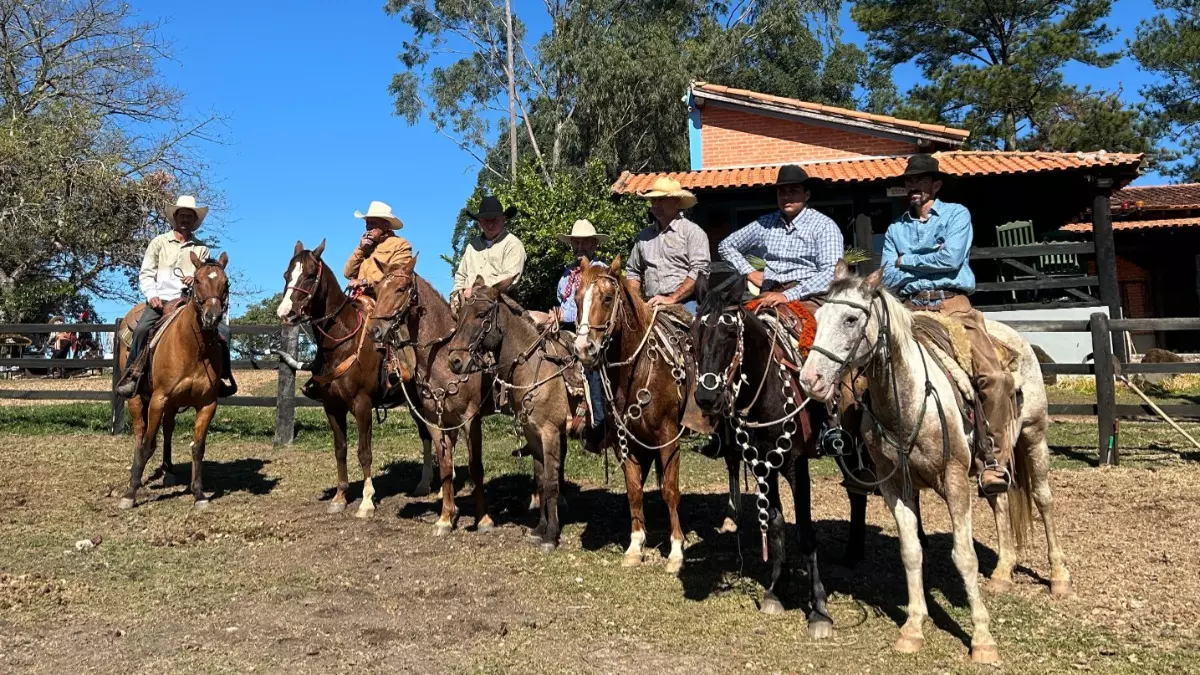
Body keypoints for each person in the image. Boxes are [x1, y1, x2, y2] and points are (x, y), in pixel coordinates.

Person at [880, 154, 1014, 495]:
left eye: (920, 181)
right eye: (909, 181)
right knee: (873, 375)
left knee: (993, 376)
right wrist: (925, 261)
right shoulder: (896, 228)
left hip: (953, 305)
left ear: (935, 185)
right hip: (910, 309)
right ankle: (877, 458)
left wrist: (907, 259)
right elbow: (889, 277)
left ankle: (994, 460)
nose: (913, 187)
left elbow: (952, 259)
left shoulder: (956, 214)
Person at [115, 195, 236, 398]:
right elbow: (146, 272)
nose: (185, 220)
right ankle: (132, 375)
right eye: (182, 216)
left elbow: (205, 274)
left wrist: (195, 277)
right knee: (142, 328)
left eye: (189, 217)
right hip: (160, 299)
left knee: (224, 332)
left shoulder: (201, 248)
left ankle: (222, 376)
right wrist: (152, 295)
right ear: (175, 218)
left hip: (188, 301)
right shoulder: (159, 243)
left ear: (193, 221)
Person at [532, 219, 609, 453]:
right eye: (576, 242)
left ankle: (598, 422)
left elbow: (590, 306)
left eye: (585, 242)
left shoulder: (599, 270)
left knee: (593, 367)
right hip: (567, 326)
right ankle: (540, 416)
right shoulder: (567, 274)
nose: (580, 247)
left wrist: (561, 315)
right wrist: (555, 316)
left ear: (594, 244)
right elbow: (563, 302)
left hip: (592, 328)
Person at [718, 165, 843, 308]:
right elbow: (726, 245)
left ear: (806, 195)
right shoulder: (766, 223)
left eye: (793, 191)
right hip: (768, 292)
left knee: (812, 327)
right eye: (781, 192)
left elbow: (831, 273)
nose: (786, 197)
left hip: (808, 296)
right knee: (733, 323)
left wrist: (788, 295)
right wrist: (749, 272)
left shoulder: (823, 225)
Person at [627, 178, 710, 307]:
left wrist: (672, 298)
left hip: (687, 302)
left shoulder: (693, 232)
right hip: (652, 302)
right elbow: (633, 271)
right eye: (654, 200)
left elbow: (699, 271)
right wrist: (634, 302)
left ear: (677, 202)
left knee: (696, 325)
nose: (656, 205)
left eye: (662, 199)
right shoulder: (644, 236)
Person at [451, 195, 526, 317]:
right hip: (468, 307)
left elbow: (510, 277)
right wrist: (456, 297)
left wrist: (476, 291)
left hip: (500, 306)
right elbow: (461, 276)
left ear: (504, 219)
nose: (490, 225)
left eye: (495, 220)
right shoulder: (472, 246)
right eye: (486, 220)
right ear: (480, 222)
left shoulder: (513, 244)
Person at [344, 201, 413, 294]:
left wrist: (364, 282)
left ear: (386, 225)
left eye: (373, 223)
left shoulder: (400, 244)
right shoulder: (365, 246)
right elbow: (348, 273)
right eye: (367, 223)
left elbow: (397, 274)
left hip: (384, 299)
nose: (368, 227)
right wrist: (360, 249)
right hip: (360, 298)